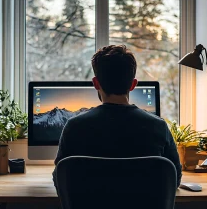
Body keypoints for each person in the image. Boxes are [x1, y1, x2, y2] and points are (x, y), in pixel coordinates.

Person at [53, 45, 182, 188]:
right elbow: (174, 179)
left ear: (96, 83)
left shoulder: (75, 127)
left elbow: (60, 179)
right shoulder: (159, 126)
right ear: (133, 84)